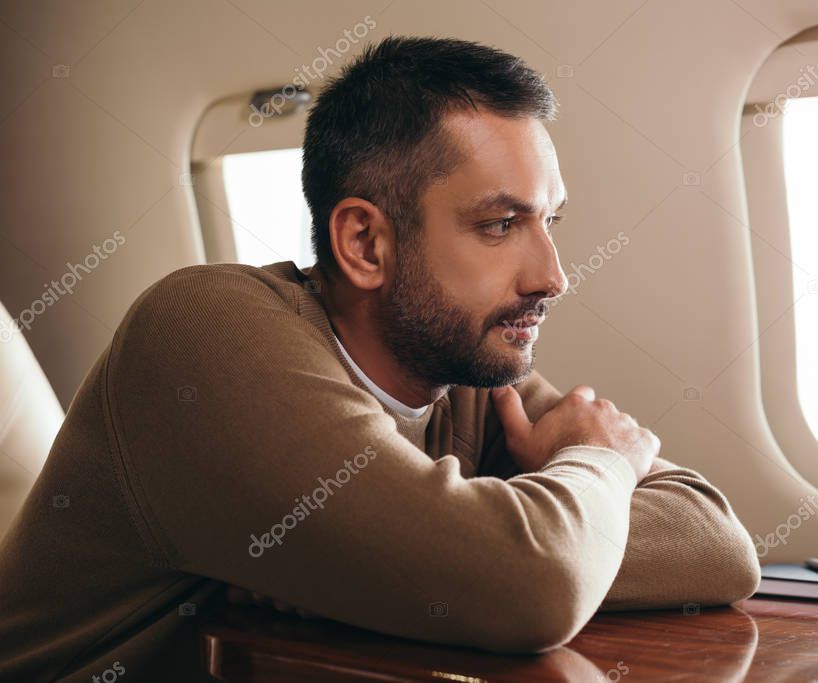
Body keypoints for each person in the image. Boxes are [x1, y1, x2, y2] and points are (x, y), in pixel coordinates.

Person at [0, 36, 759, 682]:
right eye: (500, 224)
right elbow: (529, 584)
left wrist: (413, 562)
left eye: (549, 221)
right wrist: (594, 470)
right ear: (364, 243)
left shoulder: (464, 365)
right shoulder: (205, 331)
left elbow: (720, 544)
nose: (552, 275)